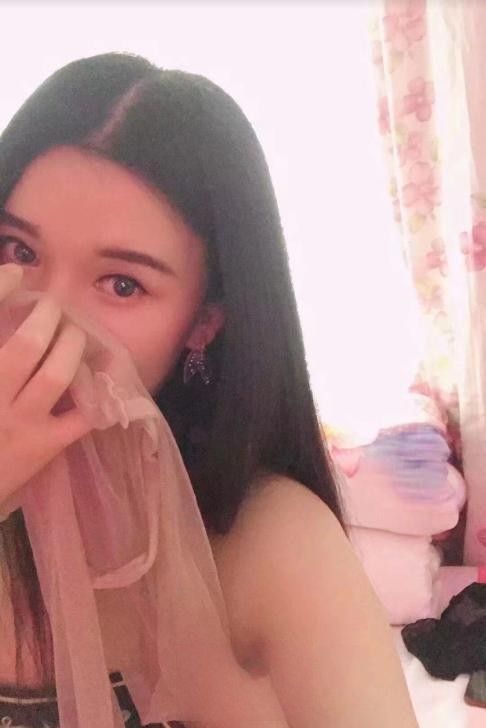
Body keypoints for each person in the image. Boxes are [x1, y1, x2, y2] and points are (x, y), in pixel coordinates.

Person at [0, 52, 419, 727]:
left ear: (202, 324)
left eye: (122, 284)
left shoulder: (268, 543)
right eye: (19, 251)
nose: (45, 317)